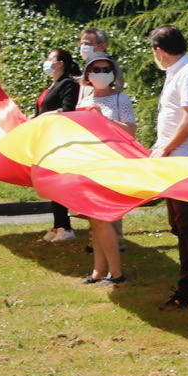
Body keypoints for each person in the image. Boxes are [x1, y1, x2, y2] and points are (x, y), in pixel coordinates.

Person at [149, 25, 188, 309]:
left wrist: (166, 148)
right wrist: (159, 148)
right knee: (178, 223)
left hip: (183, 157)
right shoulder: (175, 72)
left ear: (159, 51)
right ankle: (185, 284)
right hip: (171, 156)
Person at [77, 53, 135, 284]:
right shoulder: (83, 101)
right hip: (88, 163)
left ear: (113, 73)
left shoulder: (121, 98)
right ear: (87, 74)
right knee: (95, 221)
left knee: (103, 219)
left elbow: (131, 131)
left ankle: (116, 273)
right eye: (96, 70)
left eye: (105, 69)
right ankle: (98, 271)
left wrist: (104, 119)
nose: (101, 74)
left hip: (112, 164)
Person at [36, 47, 80, 243]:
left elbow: (69, 109)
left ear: (60, 64)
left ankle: (65, 227)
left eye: (50, 59)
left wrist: (47, 115)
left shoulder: (68, 84)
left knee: (58, 183)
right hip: (47, 138)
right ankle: (57, 225)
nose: (46, 62)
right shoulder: (52, 85)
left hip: (60, 139)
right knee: (51, 183)